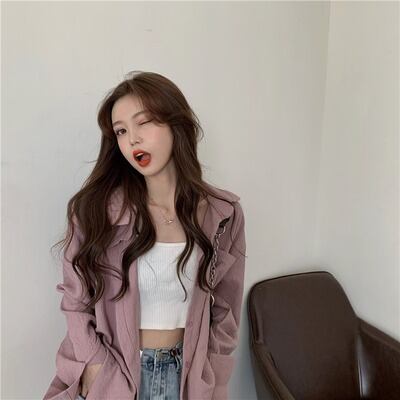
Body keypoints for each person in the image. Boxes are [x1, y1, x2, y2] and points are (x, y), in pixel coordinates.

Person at [43, 71, 247, 400]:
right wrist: (96, 366)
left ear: (176, 125)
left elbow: (227, 308)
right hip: (117, 377)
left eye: (144, 122)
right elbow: (75, 302)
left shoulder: (222, 213)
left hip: (188, 379)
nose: (132, 140)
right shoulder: (94, 211)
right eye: (121, 131)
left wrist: (213, 368)